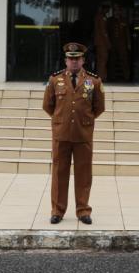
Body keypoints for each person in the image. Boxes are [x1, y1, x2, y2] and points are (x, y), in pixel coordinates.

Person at [42, 42, 105, 225]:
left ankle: (83, 210)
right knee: (59, 174)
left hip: (83, 135)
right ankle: (57, 211)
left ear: (83, 60)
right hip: (61, 135)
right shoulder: (55, 80)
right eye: (71, 59)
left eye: (77, 59)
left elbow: (99, 107)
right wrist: (60, 120)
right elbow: (48, 105)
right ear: (66, 60)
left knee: (84, 174)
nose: (74, 62)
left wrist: (85, 121)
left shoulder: (94, 81)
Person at [93, 3, 111, 82]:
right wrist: (108, 43)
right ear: (104, 9)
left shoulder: (100, 16)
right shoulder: (101, 17)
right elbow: (104, 32)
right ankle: (101, 77)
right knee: (102, 60)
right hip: (102, 42)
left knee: (101, 60)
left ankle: (102, 76)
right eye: (107, 9)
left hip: (99, 42)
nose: (108, 11)